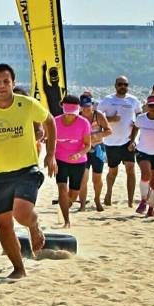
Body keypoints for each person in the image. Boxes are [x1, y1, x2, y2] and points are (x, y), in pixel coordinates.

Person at [0, 63, 56, 280]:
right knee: (3, 224)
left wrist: (51, 154)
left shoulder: (26, 104)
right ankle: (19, 268)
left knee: (22, 213)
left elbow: (50, 121)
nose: (2, 86)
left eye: (6, 81)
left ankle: (34, 226)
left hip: (27, 170)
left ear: (13, 84)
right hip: (0, 174)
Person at [99, 76, 142, 207]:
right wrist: (111, 119)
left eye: (125, 84)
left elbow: (140, 117)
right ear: (115, 85)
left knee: (131, 170)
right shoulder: (108, 100)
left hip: (128, 141)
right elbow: (97, 118)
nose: (123, 86)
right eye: (120, 84)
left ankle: (130, 201)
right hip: (111, 142)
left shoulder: (133, 100)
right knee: (113, 171)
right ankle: (109, 193)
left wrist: (136, 128)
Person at [54, 95, 92, 227]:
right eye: (68, 113)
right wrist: (50, 159)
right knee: (62, 188)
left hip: (79, 161)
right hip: (60, 159)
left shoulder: (84, 123)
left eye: (73, 113)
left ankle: (63, 207)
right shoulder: (55, 121)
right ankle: (66, 221)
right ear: (62, 107)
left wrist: (79, 154)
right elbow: (50, 143)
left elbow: (88, 145)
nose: (70, 116)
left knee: (74, 194)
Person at [78, 93, 111, 211]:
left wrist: (96, 135)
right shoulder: (78, 117)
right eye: (83, 106)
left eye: (88, 106)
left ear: (92, 105)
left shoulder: (99, 116)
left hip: (98, 149)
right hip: (83, 150)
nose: (86, 108)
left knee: (97, 178)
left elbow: (109, 131)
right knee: (83, 178)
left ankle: (97, 199)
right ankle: (82, 204)